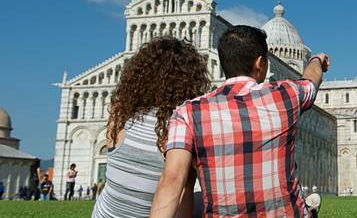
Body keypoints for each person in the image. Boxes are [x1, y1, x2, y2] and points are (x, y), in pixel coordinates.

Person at [150, 25, 330, 218]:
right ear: (260, 63)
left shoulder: (187, 113)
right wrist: (316, 60)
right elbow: (311, 79)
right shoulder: (286, 95)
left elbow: (171, 181)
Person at [92, 37, 210, 218]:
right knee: (204, 199)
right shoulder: (177, 128)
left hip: (102, 214)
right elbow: (180, 202)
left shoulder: (119, 115)